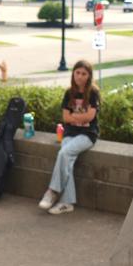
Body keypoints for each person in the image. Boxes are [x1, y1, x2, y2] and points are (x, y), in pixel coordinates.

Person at [38, 60, 100, 215]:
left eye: (84, 74)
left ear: (89, 76)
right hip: (70, 133)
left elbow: (90, 117)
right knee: (67, 162)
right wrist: (81, 117)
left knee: (64, 154)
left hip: (87, 135)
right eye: (77, 72)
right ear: (73, 73)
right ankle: (67, 203)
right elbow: (66, 117)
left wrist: (75, 117)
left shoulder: (93, 92)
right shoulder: (69, 93)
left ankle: (52, 191)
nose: (80, 76)